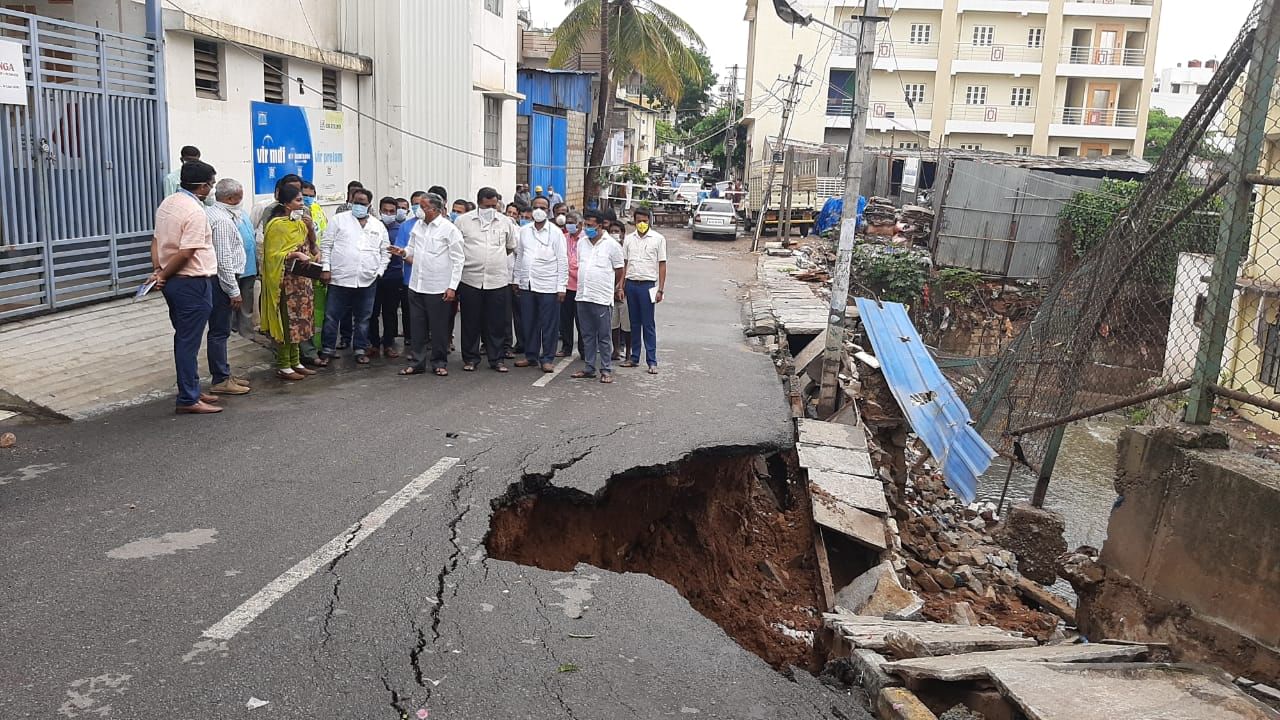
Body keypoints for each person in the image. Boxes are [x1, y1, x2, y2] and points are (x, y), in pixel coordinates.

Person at [149, 159, 223, 414]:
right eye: (211, 184)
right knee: (187, 341)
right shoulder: (194, 211)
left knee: (185, 338)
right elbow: (187, 251)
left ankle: (192, 388)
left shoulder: (168, 203)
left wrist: (160, 270)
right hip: (191, 282)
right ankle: (189, 398)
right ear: (202, 186)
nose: (212, 189)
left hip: (176, 282)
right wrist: (164, 275)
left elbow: (156, 241)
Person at [394, 193, 464, 377]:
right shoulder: (418, 225)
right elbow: (412, 248)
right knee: (417, 326)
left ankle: (439, 362)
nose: (418, 209)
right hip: (416, 284)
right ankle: (417, 362)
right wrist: (402, 252)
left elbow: (458, 260)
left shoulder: (449, 229)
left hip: (438, 286)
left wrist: (452, 287)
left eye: (422, 206)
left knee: (438, 327)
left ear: (434, 209)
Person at [319, 188, 390, 365]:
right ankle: (328, 349)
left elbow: (385, 251)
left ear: (369, 205)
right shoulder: (338, 220)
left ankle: (359, 348)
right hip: (339, 278)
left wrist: (379, 271)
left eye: (362, 203)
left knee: (363, 318)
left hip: (367, 280)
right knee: (331, 316)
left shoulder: (377, 225)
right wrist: (326, 268)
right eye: (355, 202)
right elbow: (326, 245)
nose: (358, 205)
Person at [261, 186, 320, 381]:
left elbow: (312, 248)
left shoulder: (301, 224)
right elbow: (271, 256)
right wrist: (293, 254)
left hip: (303, 282)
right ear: (286, 204)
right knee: (286, 324)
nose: (303, 204)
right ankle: (284, 364)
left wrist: (310, 228)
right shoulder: (276, 225)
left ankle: (296, 361)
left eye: (303, 200)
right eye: (299, 200)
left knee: (300, 324)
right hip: (284, 283)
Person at [456, 187, 517, 373]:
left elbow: (509, 247)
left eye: (494, 205)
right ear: (479, 203)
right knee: (470, 321)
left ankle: (496, 359)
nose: (491, 209)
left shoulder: (505, 222)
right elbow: (457, 248)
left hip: (497, 281)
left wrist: (491, 260)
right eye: (487, 206)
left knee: (496, 323)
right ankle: (471, 358)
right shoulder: (463, 221)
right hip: (470, 279)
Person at [204, 178, 252, 396]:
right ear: (231, 198)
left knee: (219, 330)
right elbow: (223, 259)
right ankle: (221, 378)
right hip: (222, 280)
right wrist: (233, 290)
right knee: (220, 330)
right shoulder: (221, 220)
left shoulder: (217, 213)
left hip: (219, 278)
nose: (241, 201)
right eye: (240, 197)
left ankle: (223, 373)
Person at [571, 210, 625, 384]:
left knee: (603, 335)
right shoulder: (582, 242)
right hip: (583, 295)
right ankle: (589, 368)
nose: (587, 228)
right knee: (586, 334)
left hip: (601, 297)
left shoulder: (611, 245)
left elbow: (619, 270)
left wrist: (612, 287)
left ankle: (606, 369)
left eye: (591, 226)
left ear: (601, 226)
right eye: (586, 225)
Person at [513, 206, 568, 372]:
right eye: (536, 207)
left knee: (549, 324)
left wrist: (561, 286)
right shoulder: (524, 231)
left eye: (543, 207)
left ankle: (547, 358)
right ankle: (531, 356)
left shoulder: (556, 233)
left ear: (548, 211)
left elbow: (562, 260)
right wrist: (516, 278)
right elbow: (520, 255)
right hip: (527, 284)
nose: (539, 210)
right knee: (529, 321)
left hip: (549, 285)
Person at [619, 207, 666, 373]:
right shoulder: (629, 240)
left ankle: (652, 361)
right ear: (634, 220)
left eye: (645, 221)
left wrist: (660, 289)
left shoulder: (658, 239)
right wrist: (621, 286)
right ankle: (634, 358)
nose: (642, 224)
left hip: (648, 286)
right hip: (631, 284)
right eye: (639, 221)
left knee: (648, 324)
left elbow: (662, 264)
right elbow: (624, 263)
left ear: (649, 221)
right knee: (634, 323)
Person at [369, 196, 406, 359]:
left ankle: (389, 344)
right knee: (372, 312)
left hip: (394, 276)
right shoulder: (373, 227)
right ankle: (374, 344)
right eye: (385, 211)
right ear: (380, 210)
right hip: (374, 276)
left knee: (390, 312)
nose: (388, 214)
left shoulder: (402, 229)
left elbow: (407, 250)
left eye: (392, 211)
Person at [229, 185, 259, 341]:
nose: (240, 199)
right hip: (233, 268)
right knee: (231, 302)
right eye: (237, 196)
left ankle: (246, 332)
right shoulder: (224, 217)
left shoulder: (244, 214)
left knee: (247, 303)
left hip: (249, 266)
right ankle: (230, 330)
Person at [559, 210, 585, 358]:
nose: (569, 225)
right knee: (565, 319)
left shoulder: (586, 239)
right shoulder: (563, 238)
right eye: (567, 222)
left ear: (580, 224)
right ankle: (566, 347)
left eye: (572, 223)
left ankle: (584, 349)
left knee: (582, 321)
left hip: (581, 286)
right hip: (566, 285)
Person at [607, 218, 631, 360]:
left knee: (627, 324)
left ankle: (628, 353)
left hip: (624, 291)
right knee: (613, 324)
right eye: (611, 232)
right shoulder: (606, 247)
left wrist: (621, 287)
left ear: (622, 233)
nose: (614, 234)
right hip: (609, 291)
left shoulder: (626, 249)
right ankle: (615, 350)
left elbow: (625, 268)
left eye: (617, 231)